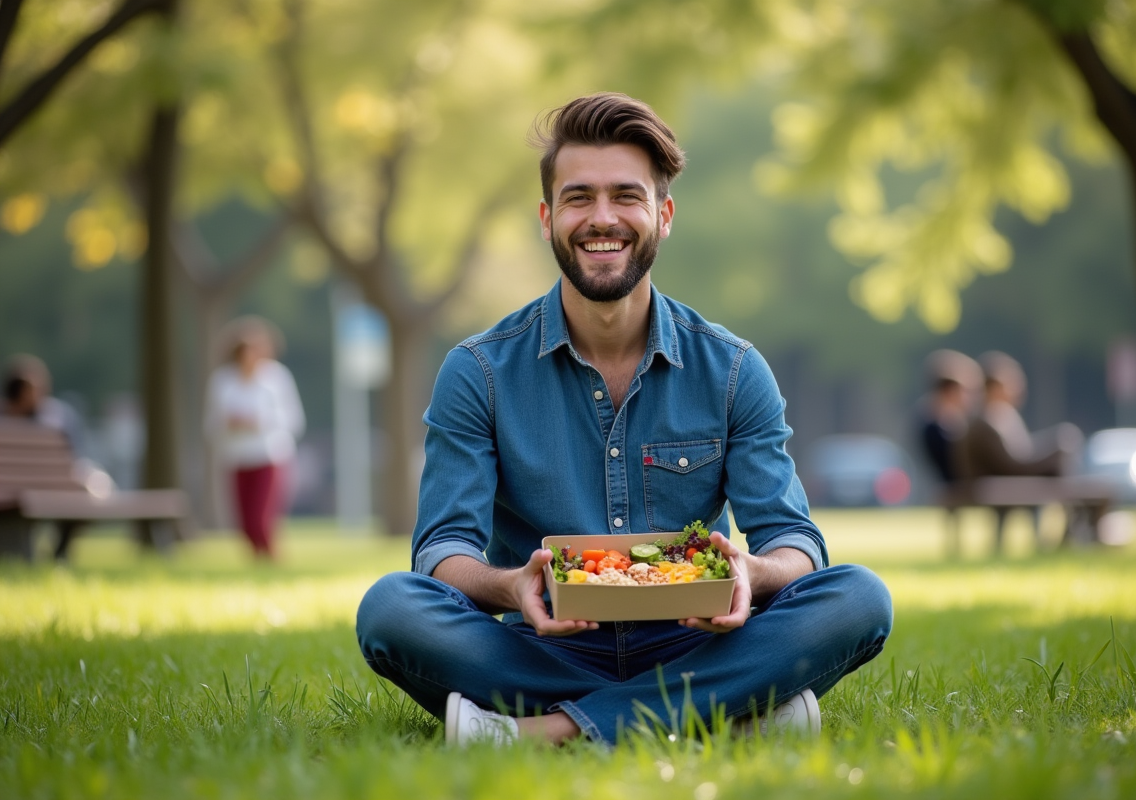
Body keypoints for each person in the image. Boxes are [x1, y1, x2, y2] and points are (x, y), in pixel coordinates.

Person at [355, 93, 893, 747]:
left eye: (625, 196)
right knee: (391, 608)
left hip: (697, 643)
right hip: (542, 650)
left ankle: (544, 732)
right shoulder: (479, 371)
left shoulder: (732, 369)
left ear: (663, 215)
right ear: (548, 216)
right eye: (579, 197)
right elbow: (442, 551)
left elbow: (794, 542)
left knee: (858, 597)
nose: (602, 219)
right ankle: (725, 712)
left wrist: (754, 574)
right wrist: (509, 585)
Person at [958, 351, 1083, 547]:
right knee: (1061, 450)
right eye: (1012, 383)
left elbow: (1021, 454)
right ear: (995, 387)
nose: (1018, 389)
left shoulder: (1001, 416)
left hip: (1004, 479)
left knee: (1061, 452)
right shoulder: (987, 420)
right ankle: (1072, 531)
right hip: (996, 483)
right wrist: (1055, 451)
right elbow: (1011, 464)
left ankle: (1072, 529)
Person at [204, 317, 305, 559]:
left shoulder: (277, 378)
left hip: (269, 457)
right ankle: (258, 559)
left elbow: (293, 420)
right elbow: (211, 424)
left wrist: (258, 422)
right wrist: (231, 424)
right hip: (237, 458)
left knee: (261, 517)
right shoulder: (222, 382)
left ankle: (271, 558)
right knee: (245, 522)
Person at [2, 354, 89, 560]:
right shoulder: (56, 420)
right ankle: (59, 557)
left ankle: (56, 556)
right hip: (40, 493)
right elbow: (74, 456)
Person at [916, 349, 982, 486]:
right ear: (951, 390)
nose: (974, 398)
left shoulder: (946, 425)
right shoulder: (936, 428)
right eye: (968, 391)